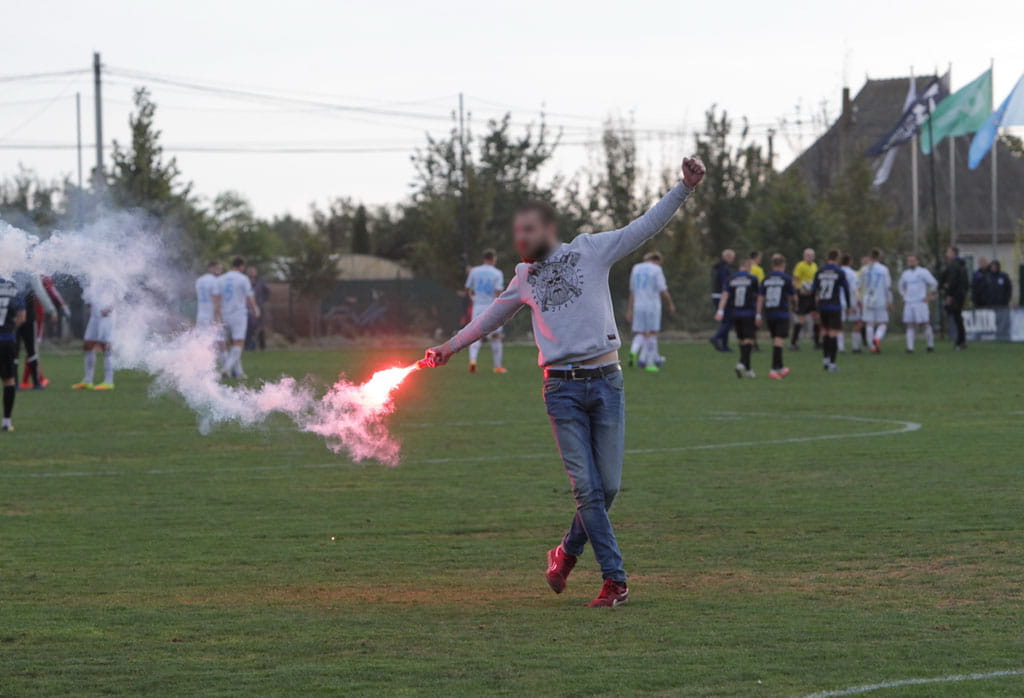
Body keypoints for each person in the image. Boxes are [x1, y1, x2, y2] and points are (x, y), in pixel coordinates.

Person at [422, 156, 706, 608]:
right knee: (587, 490)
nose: (521, 238)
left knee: (607, 488)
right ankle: (615, 580)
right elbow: (489, 318)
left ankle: (567, 551)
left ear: (548, 230)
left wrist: (684, 188)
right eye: (517, 232)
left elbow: (644, 226)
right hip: (562, 391)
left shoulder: (591, 249)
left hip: (607, 382)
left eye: (528, 230)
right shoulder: (523, 277)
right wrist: (449, 347)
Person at [626, 251, 675, 372]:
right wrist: (670, 303)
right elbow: (663, 289)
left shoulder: (636, 268)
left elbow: (632, 291)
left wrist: (629, 309)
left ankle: (633, 352)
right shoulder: (656, 269)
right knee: (652, 333)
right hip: (652, 305)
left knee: (641, 333)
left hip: (638, 305)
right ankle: (649, 363)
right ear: (657, 260)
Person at [214, 257, 259, 380]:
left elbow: (216, 298)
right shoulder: (243, 279)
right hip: (238, 314)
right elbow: (249, 296)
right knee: (238, 342)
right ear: (241, 266)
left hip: (224, 313)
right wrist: (255, 309)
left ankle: (238, 372)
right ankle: (226, 368)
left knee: (222, 343)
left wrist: (217, 313)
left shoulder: (221, 279)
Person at [715, 257, 759, 378]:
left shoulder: (731, 278)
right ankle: (741, 363)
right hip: (748, 313)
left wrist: (720, 311)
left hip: (735, 313)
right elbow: (758, 296)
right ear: (748, 266)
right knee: (749, 340)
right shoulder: (752, 279)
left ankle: (749, 370)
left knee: (742, 341)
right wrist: (759, 313)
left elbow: (724, 295)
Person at [464, 249, 507, 374]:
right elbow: (498, 291)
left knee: (474, 336)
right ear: (493, 259)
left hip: (478, 306)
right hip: (492, 307)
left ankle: (473, 361)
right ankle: (497, 366)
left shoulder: (474, 271)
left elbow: (467, 288)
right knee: (496, 336)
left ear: (484, 258)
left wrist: (473, 297)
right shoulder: (497, 273)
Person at [13, 273, 59, 390]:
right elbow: (40, 292)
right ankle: (36, 383)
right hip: (28, 317)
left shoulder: (11, 269)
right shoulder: (30, 271)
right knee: (31, 350)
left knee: (15, 351)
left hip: (13, 317)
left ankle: (15, 383)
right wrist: (52, 310)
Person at [757, 253, 796, 379]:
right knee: (779, 341)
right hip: (782, 312)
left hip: (769, 313)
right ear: (783, 265)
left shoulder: (766, 279)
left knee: (776, 340)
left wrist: (758, 314)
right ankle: (773, 370)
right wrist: (796, 307)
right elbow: (794, 296)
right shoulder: (786, 278)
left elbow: (760, 298)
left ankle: (781, 367)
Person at [72, 284, 116, 391]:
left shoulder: (111, 274)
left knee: (106, 348)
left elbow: (119, 291)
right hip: (95, 317)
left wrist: (110, 307)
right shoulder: (94, 274)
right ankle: (88, 381)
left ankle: (109, 381)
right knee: (88, 345)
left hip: (107, 317)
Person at [813, 249, 850, 372]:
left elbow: (814, 290)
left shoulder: (820, 271)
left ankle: (825, 360)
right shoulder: (839, 272)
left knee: (825, 332)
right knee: (833, 333)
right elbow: (846, 289)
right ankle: (832, 364)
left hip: (822, 306)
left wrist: (814, 307)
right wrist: (849, 305)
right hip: (834, 306)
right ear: (837, 258)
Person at [0, 276, 26, 431]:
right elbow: (22, 318)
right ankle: (7, 422)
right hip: (7, 340)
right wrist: (11, 330)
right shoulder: (15, 288)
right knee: (9, 381)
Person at [898, 255, 938, 353]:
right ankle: (910, 348)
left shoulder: (923, 272)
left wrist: (929, 295)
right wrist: (903, 295)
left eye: (913, 261)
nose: (911, 263)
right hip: (909, 303)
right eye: (909, 261)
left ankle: (930, 345)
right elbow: (900, 286)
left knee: (924, 324)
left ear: (917, 261)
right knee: (910, 324)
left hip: (920, 302)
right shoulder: (905, 274)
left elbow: (933, 283)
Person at [861, 248, 893, 353]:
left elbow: (859, 285)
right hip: (880, 299)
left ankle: (872, 347)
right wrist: (890, 301)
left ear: (870, 257)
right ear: (879, 257)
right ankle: (877, 338)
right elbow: (887, 287)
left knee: (869, 324)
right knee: (882, 323)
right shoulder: (883, 269)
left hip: (867, 299)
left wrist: (860, 299)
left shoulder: (864, 269)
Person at [940, 246, 969, 349]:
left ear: (953, 253)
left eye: (948, 252)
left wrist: (949, 294)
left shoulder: (954, 266)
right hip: (961, 294)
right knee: (958, 318)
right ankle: (961, 340)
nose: (946, 254)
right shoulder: (962, 265)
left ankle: (960, 341)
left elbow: (952, 281)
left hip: (955, 295)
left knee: (957, 318)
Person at [790, 248, 817, 350]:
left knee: (816, 318)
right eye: (807, 255)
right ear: (804, 256)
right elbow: (795, 280)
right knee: (801, 319)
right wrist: (800, 289)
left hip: (812, 294)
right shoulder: (800, 265)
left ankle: (817, 342)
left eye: (811, 255)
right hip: (803, 295)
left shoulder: (815, 266)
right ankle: (793, 342)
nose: (809, 257)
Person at [709, 249, 735, 352]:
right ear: (728, 257)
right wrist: (727, 294)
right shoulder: (724, 268)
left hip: (716, 295)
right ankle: (716, 338)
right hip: (722, 296)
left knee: (725, 321)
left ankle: (725, 346)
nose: (733, 259)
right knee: (728, 321)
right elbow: (725, 283)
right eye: (732, 257)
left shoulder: (718, 267)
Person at [839, 254, 862, 353]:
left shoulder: (838, 272)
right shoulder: (853, 274)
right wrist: (858, 301)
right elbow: (855, 289)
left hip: (838, 301)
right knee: (857, 323)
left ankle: (841, 348)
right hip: (851, 301)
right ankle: (855, 347)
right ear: (850, 262)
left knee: (839, 324)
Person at [245, 265, 271, 351]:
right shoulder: (245, 281)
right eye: (250, 271)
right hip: (247, 307)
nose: (252, 273)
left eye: (253, 271)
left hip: (259, 306)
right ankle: (250, 346)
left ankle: (262, 346)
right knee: (249, 327)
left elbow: (267, 292)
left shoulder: (261, 281)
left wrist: (262, 301)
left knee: (260, 326)